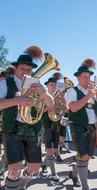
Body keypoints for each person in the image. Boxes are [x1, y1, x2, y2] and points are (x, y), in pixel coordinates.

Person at [0, 46, 54, 190]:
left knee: (35, 168)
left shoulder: (35, 84)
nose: (26, 72)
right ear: (16, 69)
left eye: (29, 70)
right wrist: (17, 101)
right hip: (13, 128)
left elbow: (51, 104)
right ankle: (13, 185)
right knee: (15, 168)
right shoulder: (6, 83)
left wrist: (44, 93)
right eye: (22, 68)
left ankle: (21, 184)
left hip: (32, 128)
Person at [66, 59, 97, 190]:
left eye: (89, 77)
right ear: (78, 78)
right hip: (77, 125)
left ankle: (73, 174)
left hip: (91, 126)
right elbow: (73, 108)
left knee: (87, 156)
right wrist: (88, 95)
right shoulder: (72, 91)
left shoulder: (92, 91)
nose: (88, 79)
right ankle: (85, 186)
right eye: (85, 77)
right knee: (83, 156)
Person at [41, 72, 64, 182]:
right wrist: (50, 107)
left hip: (56, 124)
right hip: (46, 123)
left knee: (54, 149)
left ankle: (44, 164)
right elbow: (39, 111)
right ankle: (54, 174)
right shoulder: (43, 96)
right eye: (51, 84)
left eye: (55, 84)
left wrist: (63, 102)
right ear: (47, 86)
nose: (54, 87)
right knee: (49, 149)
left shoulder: (59, 97)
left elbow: (63, 111)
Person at [0, 66, 15, 180]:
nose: (3, 81)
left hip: (6, 125)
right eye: (2, 79)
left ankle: (1, 169)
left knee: (6, 152)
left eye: (5, 79)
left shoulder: (8, 90)